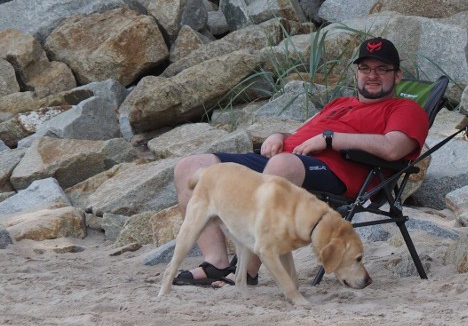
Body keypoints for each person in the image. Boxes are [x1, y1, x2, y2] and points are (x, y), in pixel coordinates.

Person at [170, 37, 429, 287]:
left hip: (338, 172)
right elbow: (299, 136)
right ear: (356, 73)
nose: (372, 75)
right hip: (286, 158)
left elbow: (394, 148)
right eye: (365, 68)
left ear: (397, 76)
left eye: (382, 69)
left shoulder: (405, 109)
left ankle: (246, 270)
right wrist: (277, 136)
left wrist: (331, 139)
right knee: (190, 167)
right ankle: (215, 262)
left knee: (282, 166)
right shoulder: (339, 103)